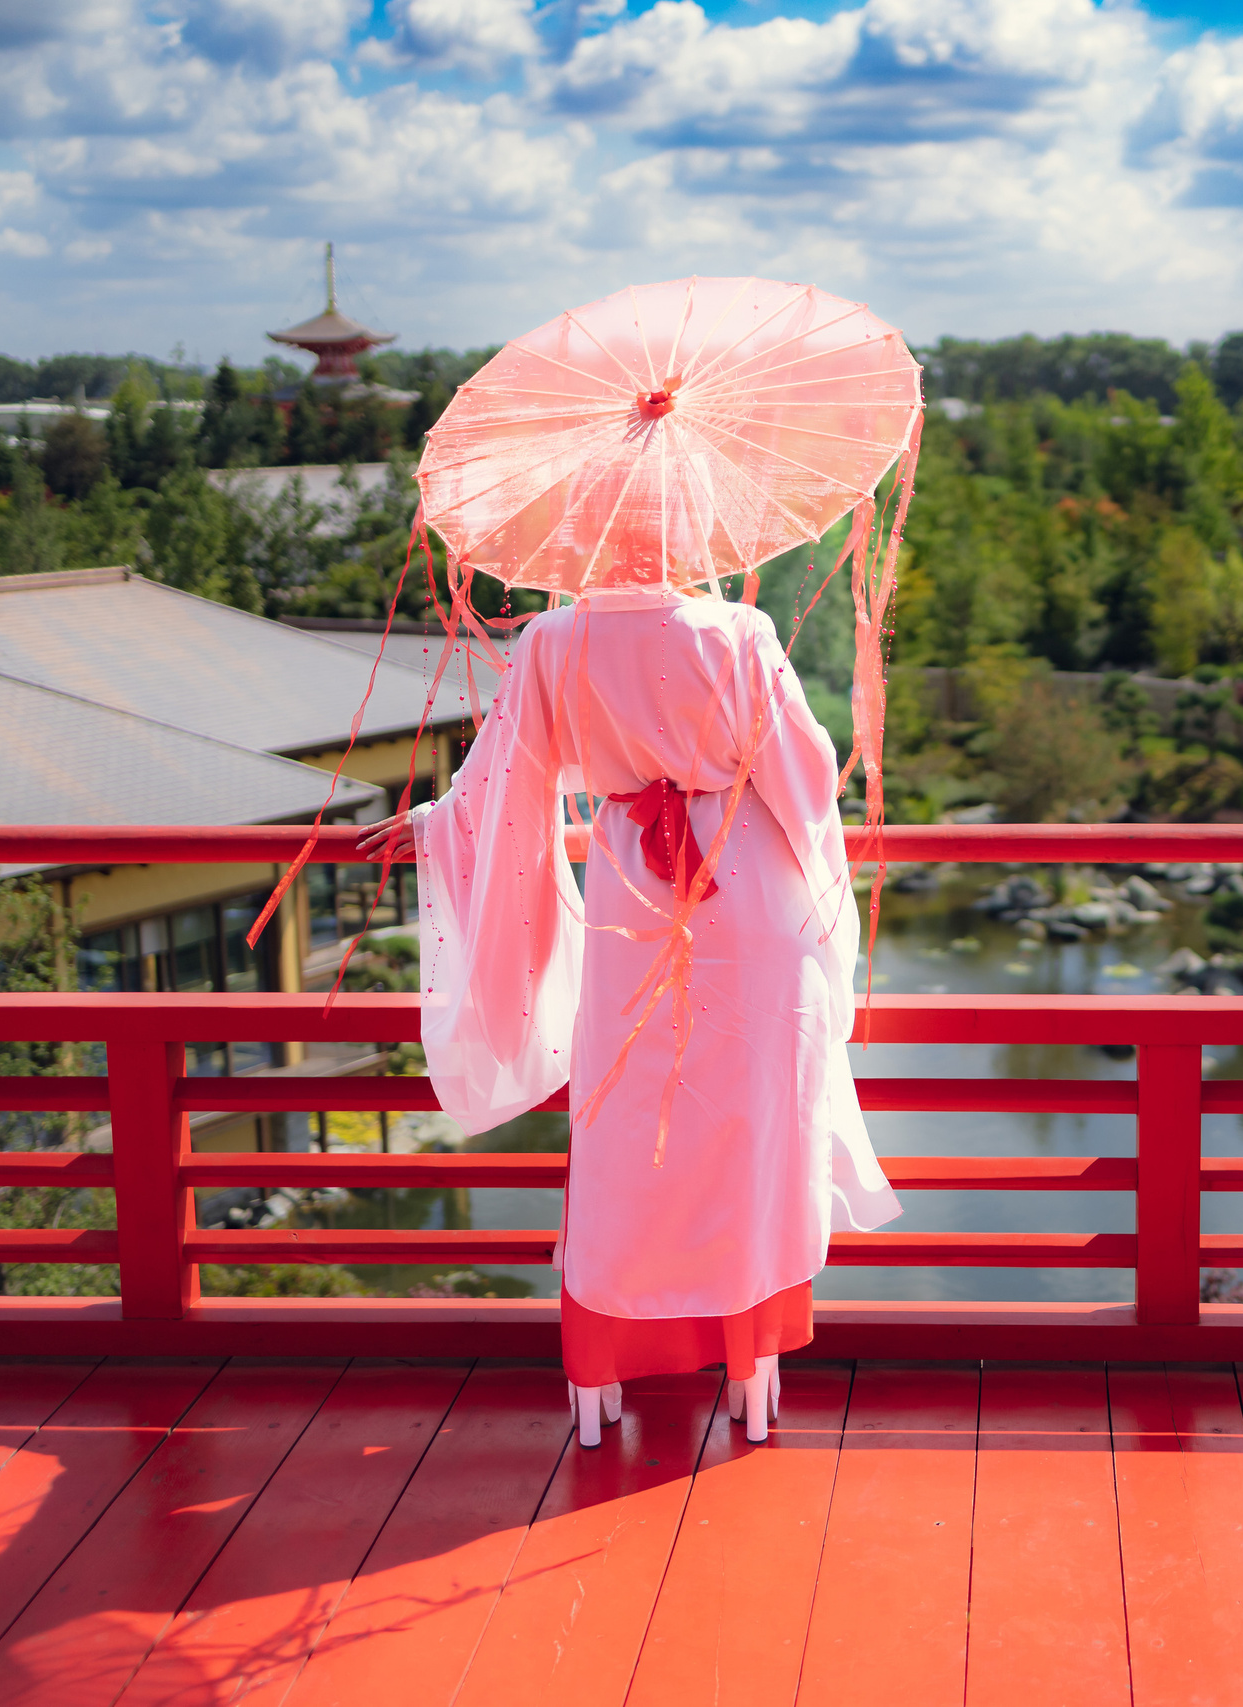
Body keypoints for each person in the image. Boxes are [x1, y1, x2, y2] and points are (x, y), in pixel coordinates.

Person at [356, 582, 899, 1445]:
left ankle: (603, 1369)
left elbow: (505, 773)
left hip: (630, 896)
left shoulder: (551, 637)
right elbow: (804, 781)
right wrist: (832, 927)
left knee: (627, 1127)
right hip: (752, 888)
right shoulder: (738, 630)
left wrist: (437, 825)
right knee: (747, 1135)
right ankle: (748, 1361)